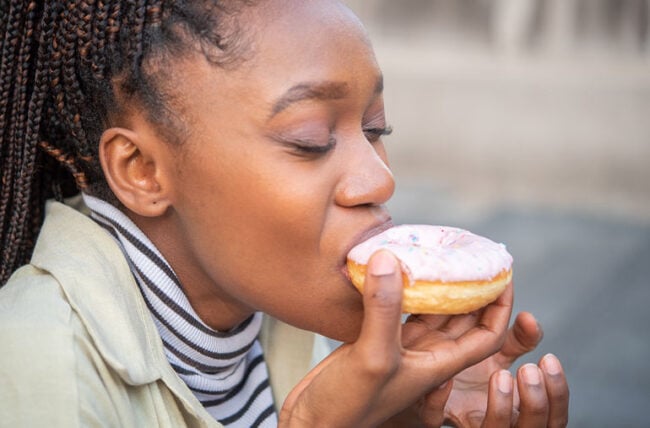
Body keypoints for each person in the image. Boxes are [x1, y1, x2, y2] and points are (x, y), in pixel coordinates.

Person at [0, 0, 569, 426]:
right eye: (311, 140)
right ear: (142, 169)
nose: (380, 177)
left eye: (376, 130)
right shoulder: (40, 367)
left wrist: (399, 419)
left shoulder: (281, 309)